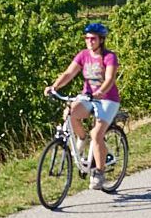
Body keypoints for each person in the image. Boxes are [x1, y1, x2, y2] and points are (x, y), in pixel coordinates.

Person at [48, 22, 122, 175]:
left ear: (101, 40)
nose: (89, 41)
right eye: (87, 38)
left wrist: (100, 91)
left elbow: (109, 79)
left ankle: (99, 173)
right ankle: (82, 138)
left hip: (108, 99)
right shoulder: (83, 55)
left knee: (97, 134)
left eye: (93, 39)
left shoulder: (109, 57)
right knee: (69, 113)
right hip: (88, 97)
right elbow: (68, 73)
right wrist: (54, 87)